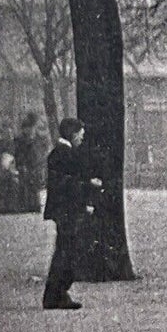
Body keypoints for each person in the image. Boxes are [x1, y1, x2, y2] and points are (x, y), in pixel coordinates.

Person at [41, 117, 101, 310]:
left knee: (64, 251)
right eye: (81, 135)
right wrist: (89, 185)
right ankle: (57, 293)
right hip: (69, 211)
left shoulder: (58, 153)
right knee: (68, 252)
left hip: (63, 211)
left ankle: (56, 294)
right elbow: (67, 185)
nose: (82, 139)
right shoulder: (66, 155)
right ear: (73, 134)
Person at [10, 113, 46, 214]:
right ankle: (26, 206)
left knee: (33, 187)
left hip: (33, 166)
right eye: (29, 128)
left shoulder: (35, 140)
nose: (31, 130)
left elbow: (37, 154)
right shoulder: (20, 140)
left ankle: (32, 206)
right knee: (26, 186)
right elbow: (19, 154)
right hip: (25, 166)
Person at [0, 123, 16, 214]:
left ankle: (7, 204)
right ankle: (5, 204)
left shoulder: (6, 142)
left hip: (6, 166)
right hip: (2, 166)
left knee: (6, 185)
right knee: (3, 185)